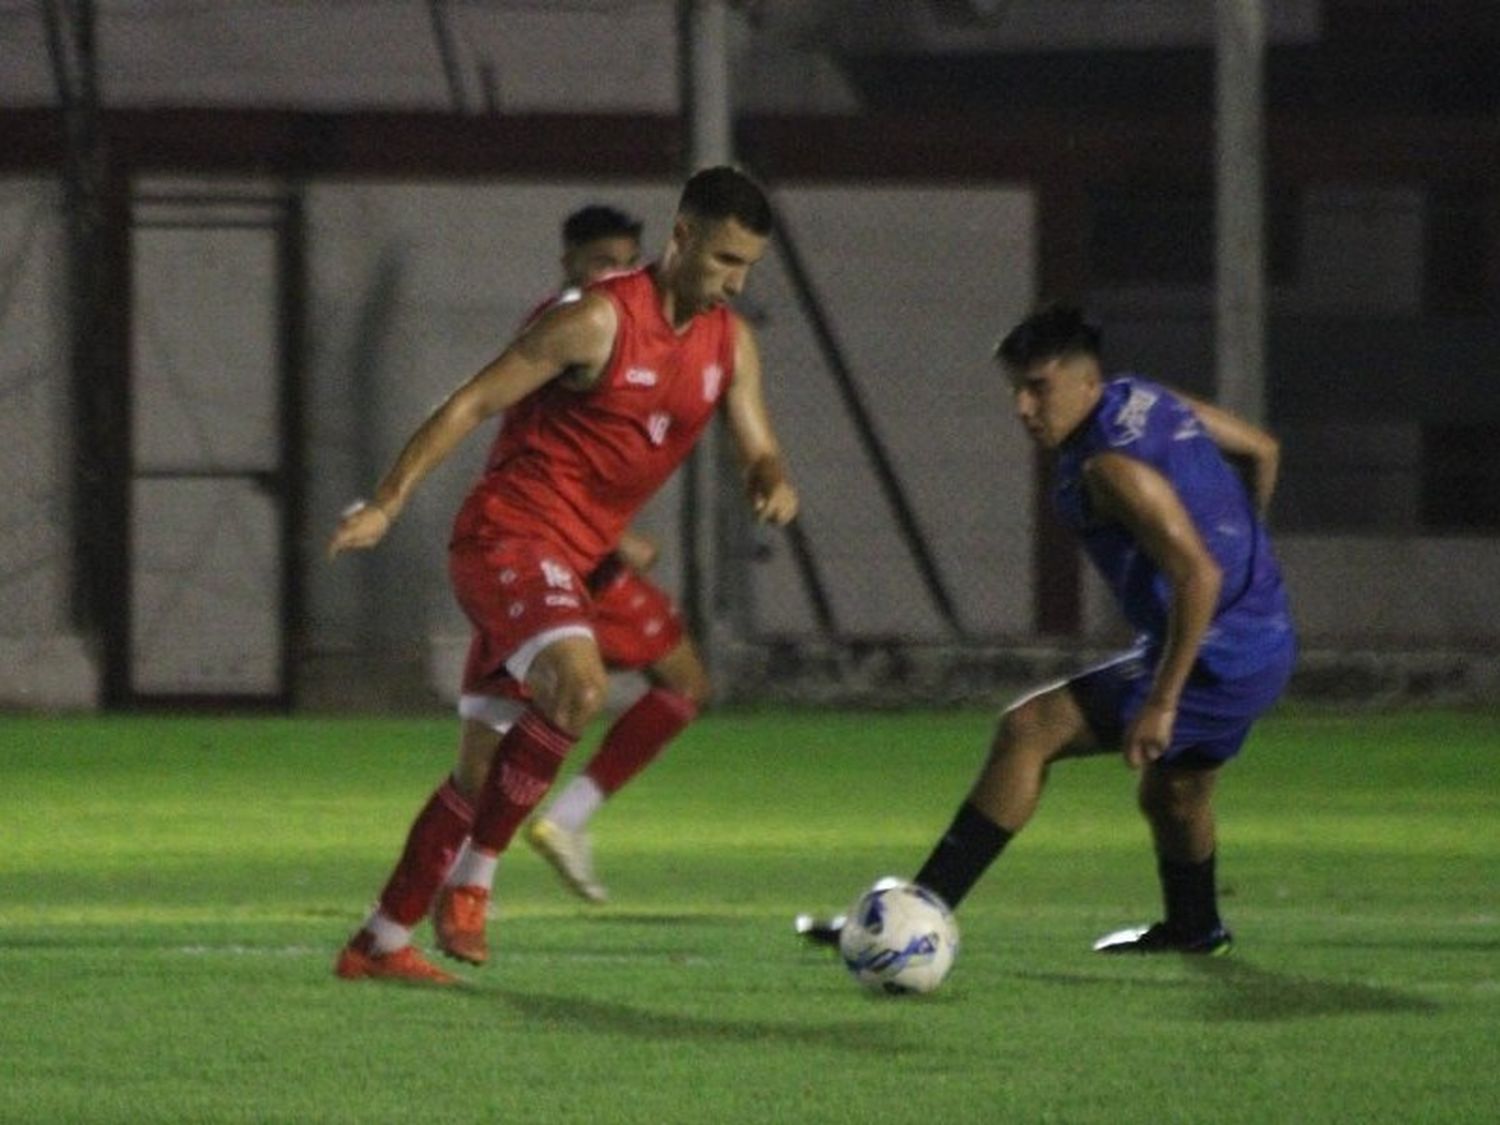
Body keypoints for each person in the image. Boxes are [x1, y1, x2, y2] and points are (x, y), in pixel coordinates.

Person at [330, 166, 798, 984]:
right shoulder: (598, 320)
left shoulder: (730, 342)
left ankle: (378, 940)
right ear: (681, 236)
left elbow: (754, 436)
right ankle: (473, 884)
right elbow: (472, 403)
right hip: (506, 536)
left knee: (481, 771)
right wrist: (387, 501)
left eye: (749, 265)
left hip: (571, 561)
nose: (737, 280)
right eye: (725, 259)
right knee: (578, 687)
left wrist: (769, 476)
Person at [799, 304, 1295, 955]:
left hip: (1215, 655)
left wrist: (1162, 700)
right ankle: (1196, 928)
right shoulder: (1145, 397)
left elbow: (1197, 576)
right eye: (1017, 390)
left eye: (1039, 387)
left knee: (1029, 729)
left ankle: (912, 919)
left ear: (1087, 383)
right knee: (1175, 793)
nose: (1024, 407)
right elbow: (1262, 450)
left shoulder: (1108, 468)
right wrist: (1252, 562)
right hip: (1257, 639)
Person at [518, 203, 717, 904]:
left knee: (682, 682)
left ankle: (533, 835)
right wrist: (616, 537)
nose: (616, 273)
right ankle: (491, 853)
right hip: (555, 549)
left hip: (582, 551)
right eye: (602, 259)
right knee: (517, 714)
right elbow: (534, 454)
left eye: (627, 260)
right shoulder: (573, 326)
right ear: (569, 259)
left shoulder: (629, 322)